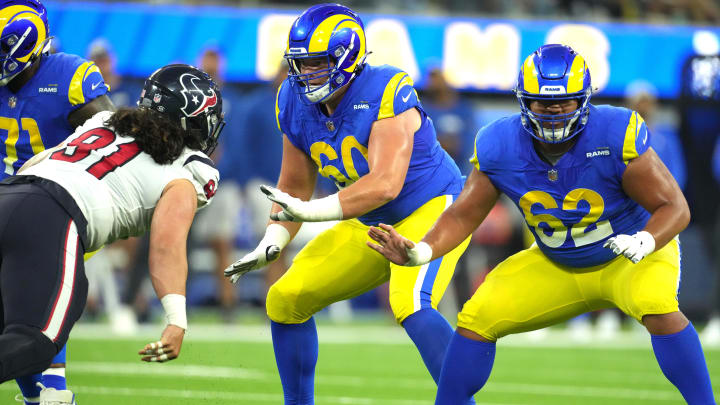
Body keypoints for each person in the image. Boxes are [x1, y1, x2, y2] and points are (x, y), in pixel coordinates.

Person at [367, 44, 716, 405]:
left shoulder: (615, 131)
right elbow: (463, 214)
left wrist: (644, 241)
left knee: (657, 306)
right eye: (542, 102)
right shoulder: (499, 143)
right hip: (557, 262)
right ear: (523, 101)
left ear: (584, 100)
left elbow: (674, 207)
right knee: (477, 317)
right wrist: (421, 250)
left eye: (564, 102)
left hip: (629, 256)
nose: (553, 111)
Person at [224, 4, 470, 404]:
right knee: (285, 299)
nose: (306, 74)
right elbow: (295, 186)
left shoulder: (387, 87)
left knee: (409, 301)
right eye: (300, 64)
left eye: (318, 63)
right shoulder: (292, 98)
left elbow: (386, 183)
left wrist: (314, 213)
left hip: (432, 207)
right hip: (368, 220)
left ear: (347, 57)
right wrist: (272, 241)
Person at [0, 64, 224, 402]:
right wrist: (176, 320)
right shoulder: (189, 169)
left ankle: (47, 398)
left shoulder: (104, 121)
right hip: (53, 215)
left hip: (11, 193)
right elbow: (166, 249)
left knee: (21, 333)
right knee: (37, 341)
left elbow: (35, 164)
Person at [0, 1, 115, 403]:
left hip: (54, 207)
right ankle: (43, 394)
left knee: (29, 298)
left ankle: (49, 392)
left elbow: (110, 140)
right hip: (6, 202)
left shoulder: (70, 76)